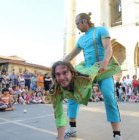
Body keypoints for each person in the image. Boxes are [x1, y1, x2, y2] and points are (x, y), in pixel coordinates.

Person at [62, 12, 122, 140]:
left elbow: (108, 48)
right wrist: (58, 65)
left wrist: (105, 62)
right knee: (72, 94)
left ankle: (117, 135)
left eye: (77, 24)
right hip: (88, 70)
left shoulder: (101, 30)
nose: (77, 27)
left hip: (103, 69)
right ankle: (72, 129)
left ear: (84, 21)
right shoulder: (81, 39)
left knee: (109, 97)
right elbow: (70, 56)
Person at [50, 61, 98, 140]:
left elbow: (97, 66)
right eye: (58, 74)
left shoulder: (86, 76)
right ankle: (72, 130)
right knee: (71, 103)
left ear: (72, 73)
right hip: (73, 91)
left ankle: (117, 134)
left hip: (90, 72)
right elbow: (59, 115)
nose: (61, 77)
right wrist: (60, 138)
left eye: (65, 72)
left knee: (108, 94)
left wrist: (103, 61)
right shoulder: (56, 90)